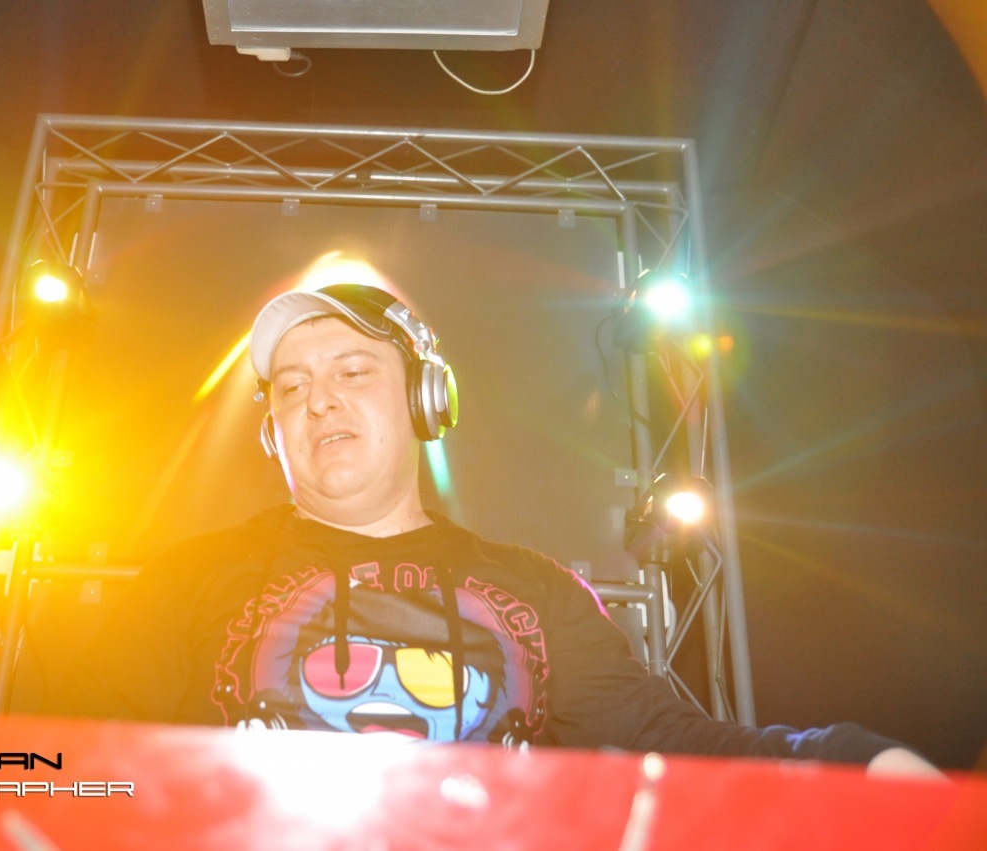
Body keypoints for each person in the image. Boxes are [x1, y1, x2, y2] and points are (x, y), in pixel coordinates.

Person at [60, 283, 938, 776]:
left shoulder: (537, 590)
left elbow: (673, 744)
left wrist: (850, 758)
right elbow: (59, 762)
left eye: (353, 371)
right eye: (291, 387)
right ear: (271, 434)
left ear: (425, 401)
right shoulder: (186, 579)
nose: (318, 399)